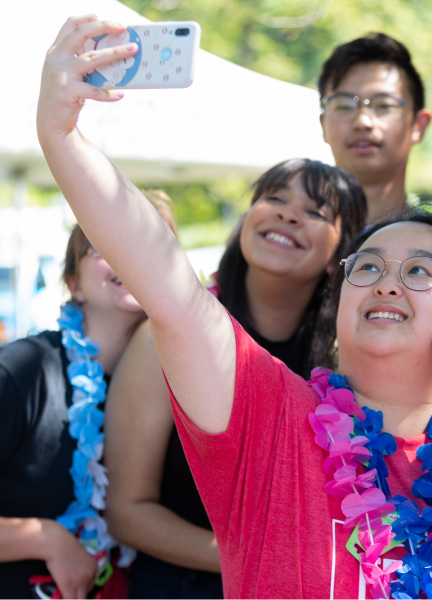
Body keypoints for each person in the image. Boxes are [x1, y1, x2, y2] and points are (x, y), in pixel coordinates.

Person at [38, 17, 432, 598]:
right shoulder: (268, 414)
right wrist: (61, 136)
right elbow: (165, 281)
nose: (387, 282)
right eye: (368, 268)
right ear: (338, 305)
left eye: (419, 271)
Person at [104, 160, 367, 598]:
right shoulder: (167, 337)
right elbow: (126, 511)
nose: (287, 214)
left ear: (342, 258)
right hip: (180, 584)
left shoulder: (347, 365)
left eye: (316, 211)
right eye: (275, 198)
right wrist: (259, 561)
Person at [0, 206, 172, 598]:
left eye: (151, 243)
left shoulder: (182, 396)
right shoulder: (24, 371)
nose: (129, 253)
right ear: (73, 283)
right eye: (105, 244)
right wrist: (41, 537)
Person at [318, 33, 432, 223]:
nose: (363, 121)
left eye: (384, 105)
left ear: (418, 125)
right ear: (323, 125)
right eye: (344, 106)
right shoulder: (292, 238)